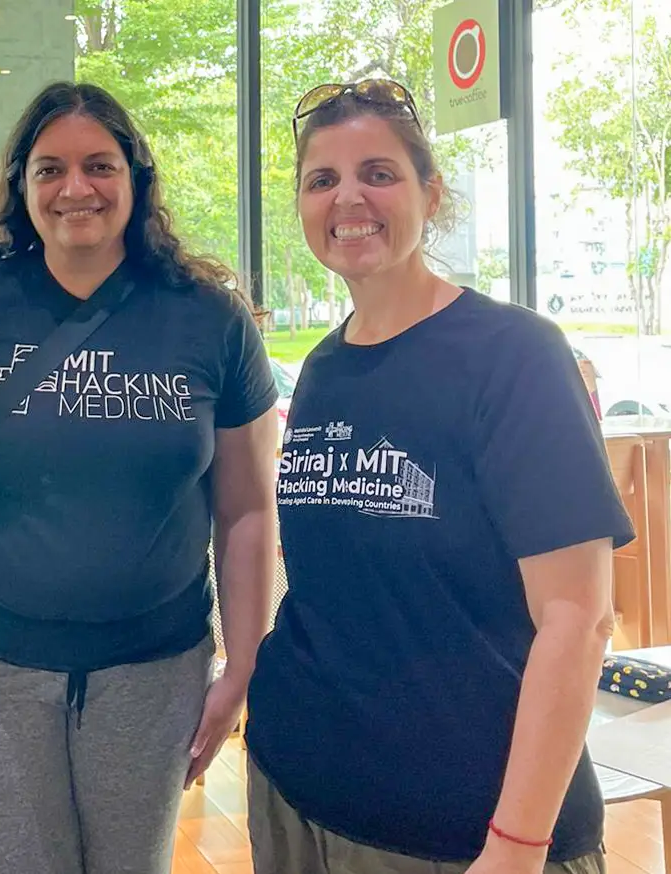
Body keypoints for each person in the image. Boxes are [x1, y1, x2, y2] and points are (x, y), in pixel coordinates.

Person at [243, 78, 635, 874]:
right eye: (323, 179)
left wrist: (517, 847)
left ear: (431, 192)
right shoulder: (323, 366)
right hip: (298, 788)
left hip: (465, 828)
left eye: (378, 173)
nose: (349, 196)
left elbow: (579, 618)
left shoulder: (513, 356)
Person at [0, 81, 279, 874]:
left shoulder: (209, 317)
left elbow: (245, 512)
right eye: (50, 169)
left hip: (156, 667)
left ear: (135, 180)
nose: (76, 189)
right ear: (21, 187)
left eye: (99, 166)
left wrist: (241, 666)